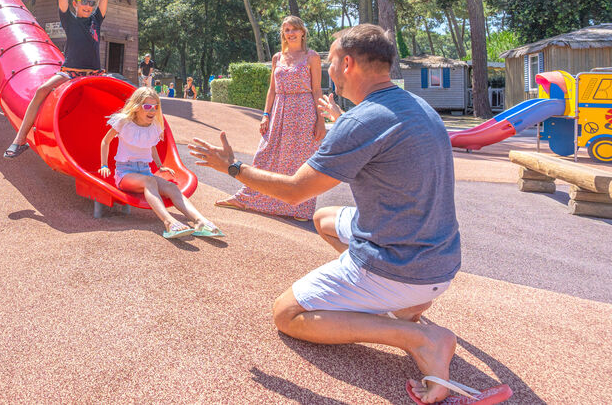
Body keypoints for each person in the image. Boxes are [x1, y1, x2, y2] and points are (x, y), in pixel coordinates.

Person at [189, 25, 509, 405]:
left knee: (286, 314)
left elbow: (294, 191)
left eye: (330, 61)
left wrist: (233, 168)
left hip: (402, 266)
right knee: (324, 218)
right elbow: (375, 140)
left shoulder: (362, 123)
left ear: (348, 63)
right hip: (441, 259)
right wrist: (342, 120)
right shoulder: (414, 105)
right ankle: (397, 305)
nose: (327, 68)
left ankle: (422, 337)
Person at [4, 0, 121, 158]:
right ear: (75, 4)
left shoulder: (96, 20)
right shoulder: (70, 20)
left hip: (94, 73)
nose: (88, 5)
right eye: (84, 2)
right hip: (71, 71)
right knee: (42, 89)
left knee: (121, 92)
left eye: (90, 2)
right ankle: (20, 139)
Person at [216, 16, 325, 220]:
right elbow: (272, 90)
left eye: (294, 29)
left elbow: (317, 90)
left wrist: (321, 120)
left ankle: (300, 208)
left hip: (303, 112)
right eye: (286, 30)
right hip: (279, 111)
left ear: (303, 32)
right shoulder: (277, 58)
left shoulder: (312, 57)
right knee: (265, 154)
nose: (290, 33)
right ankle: (244, 198)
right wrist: (265, 114)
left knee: (300, 160)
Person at [100, 87, 224, 239]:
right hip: (125, 173)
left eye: (155, 106)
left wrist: (160, 166)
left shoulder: (155, 127)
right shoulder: (124, 122)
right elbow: (105, 141)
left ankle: (200, 222)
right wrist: (104, 165)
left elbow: (152, 147)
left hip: (144, 171)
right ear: (137, 107)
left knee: (172, 187)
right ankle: (169, 222)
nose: (152, 110)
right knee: (149, 181)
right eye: (147, 106)